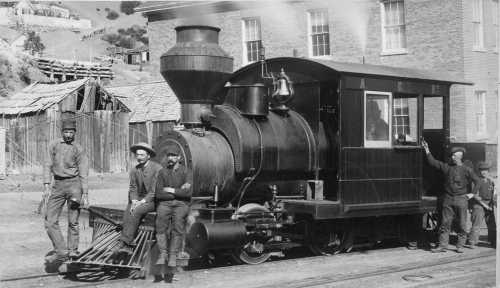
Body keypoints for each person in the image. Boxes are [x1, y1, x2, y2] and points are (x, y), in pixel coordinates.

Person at [422, 140, 481, 253]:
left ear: (459, 157)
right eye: (452, 155)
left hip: (461, 199)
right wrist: (427, 149)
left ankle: (460, 246)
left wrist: (472, 193)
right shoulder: (447, 167)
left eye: (454, 155)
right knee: (445, 223)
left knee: (462, 224)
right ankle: (443, 246)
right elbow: (433, 162)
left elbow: (478, 181)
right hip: (448, 199)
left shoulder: (467, 169)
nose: (452, 157)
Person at [43, 118, 89, 264]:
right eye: (66, 132)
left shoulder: (78, 148)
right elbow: (47, 164)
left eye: (71, 132)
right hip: (57, 185)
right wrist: (46, 185)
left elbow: (83, 171)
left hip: (75, 185)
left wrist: (85, 193)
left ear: (75, 133)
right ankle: (61, 251)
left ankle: (73, 251)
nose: (68, 135)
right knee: (50, 221)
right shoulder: (54, 145)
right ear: (62, 132)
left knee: (73, 221)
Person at [112, 142, 163, 255]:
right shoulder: (135, 170)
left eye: (142, 155)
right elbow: (133, 187)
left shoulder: (157, 169)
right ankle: (126, 240)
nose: (139, 157)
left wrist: (141, 202)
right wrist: (134, 200)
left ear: (148, 156)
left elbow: (154, 191)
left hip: (154, 200)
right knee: (129, 210)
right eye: (137, 155)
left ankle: (127, 243)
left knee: (137, 210)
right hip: (139, 199)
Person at [154, 148, 192, 283]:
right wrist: (178, 191)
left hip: (181, 204)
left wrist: (170, 190)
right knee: (160, 223)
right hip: (165, 203)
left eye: (174, 156)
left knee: (178, 225)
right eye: (169, 155)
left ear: (179, 157)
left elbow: (187, 194)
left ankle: (173, 256)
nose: (171, 158)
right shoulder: (162, 172)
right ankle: (163, 253)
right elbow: (158, 193)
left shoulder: (186, 172)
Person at [466, 161, 497, 248]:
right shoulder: (476, 181)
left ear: (488, 171)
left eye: (486, 170)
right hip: (478, 204)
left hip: (489, 204)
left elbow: (494, 194)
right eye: (482, 170)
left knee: (492, 225)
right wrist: (485, 206)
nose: (484, 172)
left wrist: (491, 204)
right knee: (477, 224)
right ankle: (472, 242)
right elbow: (475, 196)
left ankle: (493, 241)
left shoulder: (491, 182)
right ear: (479, 171)